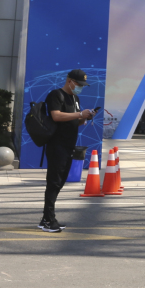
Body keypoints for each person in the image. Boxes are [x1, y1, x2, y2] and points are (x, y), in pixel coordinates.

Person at [38, 69, 97, 232]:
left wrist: (84, 117)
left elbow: (74, 122)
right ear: (70, 81)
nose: (80, 87)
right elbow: (56, 116)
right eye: (79, 84)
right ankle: (49, 219)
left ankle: (45, 218)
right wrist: (79, 114)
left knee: (60, 181)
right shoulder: (56, 95)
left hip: (69, 144)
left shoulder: (75, 98)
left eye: (83, 85)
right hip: (56, 145)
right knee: (54, 182)